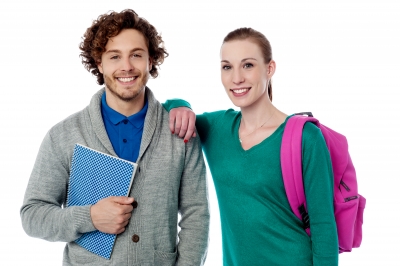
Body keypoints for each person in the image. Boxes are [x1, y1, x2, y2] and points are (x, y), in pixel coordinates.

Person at [20, 9, 209, 266]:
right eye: (114, 56)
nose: (126, 66)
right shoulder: (63, 135)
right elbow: (32, 216)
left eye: (136, 55)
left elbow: (197, 215)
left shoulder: (179, 131)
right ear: (99, 63)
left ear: (151, 60)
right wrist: (90, 217)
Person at [166, 27, 338, 265]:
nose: (236, 78)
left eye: (247, 65)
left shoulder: (305, 137)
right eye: (227, 67)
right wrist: (181, 104)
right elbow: (168, 109)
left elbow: (324, 227)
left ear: (270, 69)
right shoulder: (217, 128)